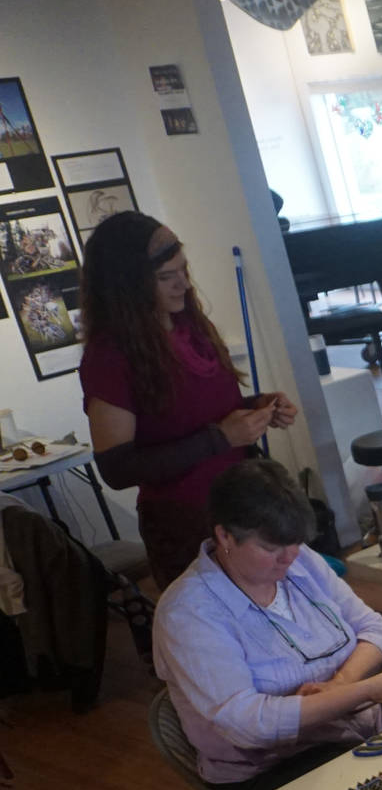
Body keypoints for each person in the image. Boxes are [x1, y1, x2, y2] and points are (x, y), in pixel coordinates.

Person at [155, 460, 382, 790]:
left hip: (355, 731)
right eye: (271, 548)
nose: (289, 558)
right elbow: (247, 724)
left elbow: (374, 628)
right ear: (225, 535)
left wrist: (342, 683)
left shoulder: (298, 559)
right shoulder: (189, 612)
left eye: (295, 543)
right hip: (271, 772)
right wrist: (363, 690)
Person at [80, 212, 298, 588]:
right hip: (185, 522)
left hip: (243, 504)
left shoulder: (188, 323)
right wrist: (221, 437)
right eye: (166, 277)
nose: (183, 283)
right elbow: (116, 469)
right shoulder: (109, 357)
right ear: (128, 285)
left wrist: (259, 406)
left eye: (184, 269)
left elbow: (200, 411)